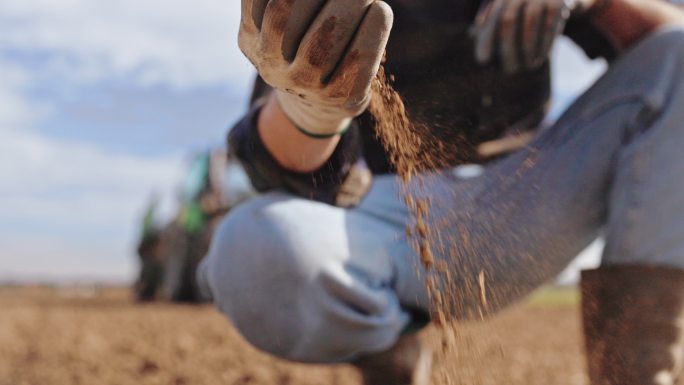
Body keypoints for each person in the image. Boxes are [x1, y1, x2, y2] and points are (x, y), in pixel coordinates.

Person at [198, 0, 684, 383]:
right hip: (379, 226)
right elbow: (278, 169)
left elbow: (667, 43)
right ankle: (389, 350)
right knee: (248, 249)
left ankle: (636, 373)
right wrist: (311, 111)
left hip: (519, 209)